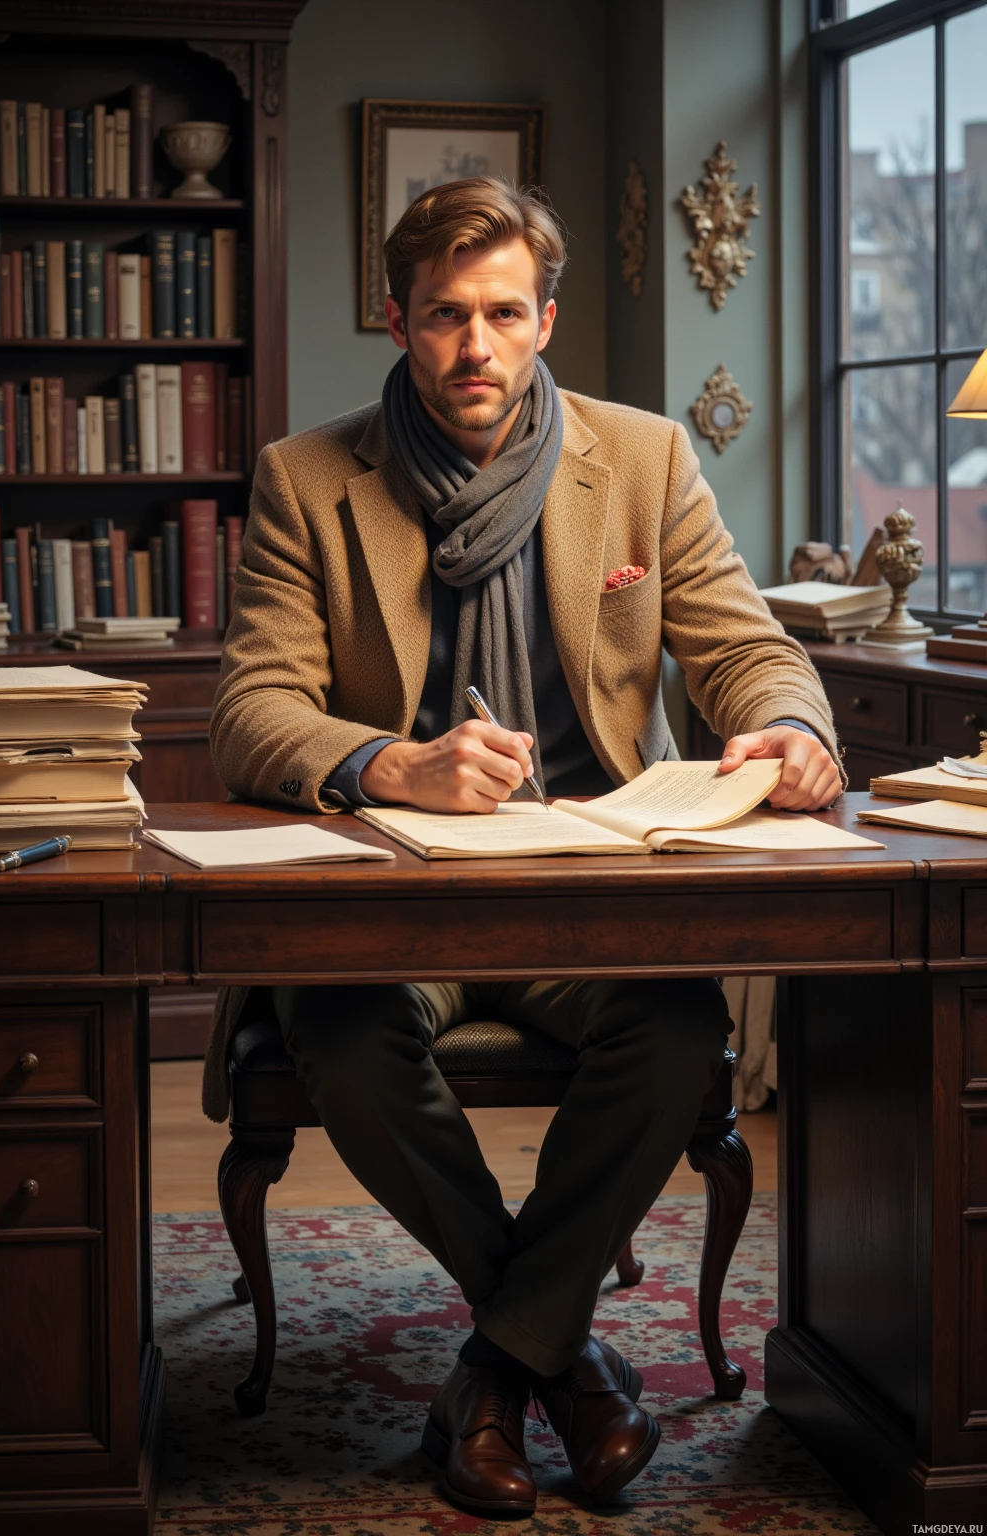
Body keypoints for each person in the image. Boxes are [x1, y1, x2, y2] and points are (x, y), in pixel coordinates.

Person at [205, 177, 841, 1516]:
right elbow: (252, 713)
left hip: (594, 894)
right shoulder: (306, 480)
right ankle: (566, 1363)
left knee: (676, 1042)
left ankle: (497, 1369)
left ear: (546, 320)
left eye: (504, 312)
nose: (474, 345)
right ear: (397, 320)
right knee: (343, 1033)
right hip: (392, 903)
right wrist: (391, 763)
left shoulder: (647, 459)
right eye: (444, 315)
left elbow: (746, 652)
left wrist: (788, 730)